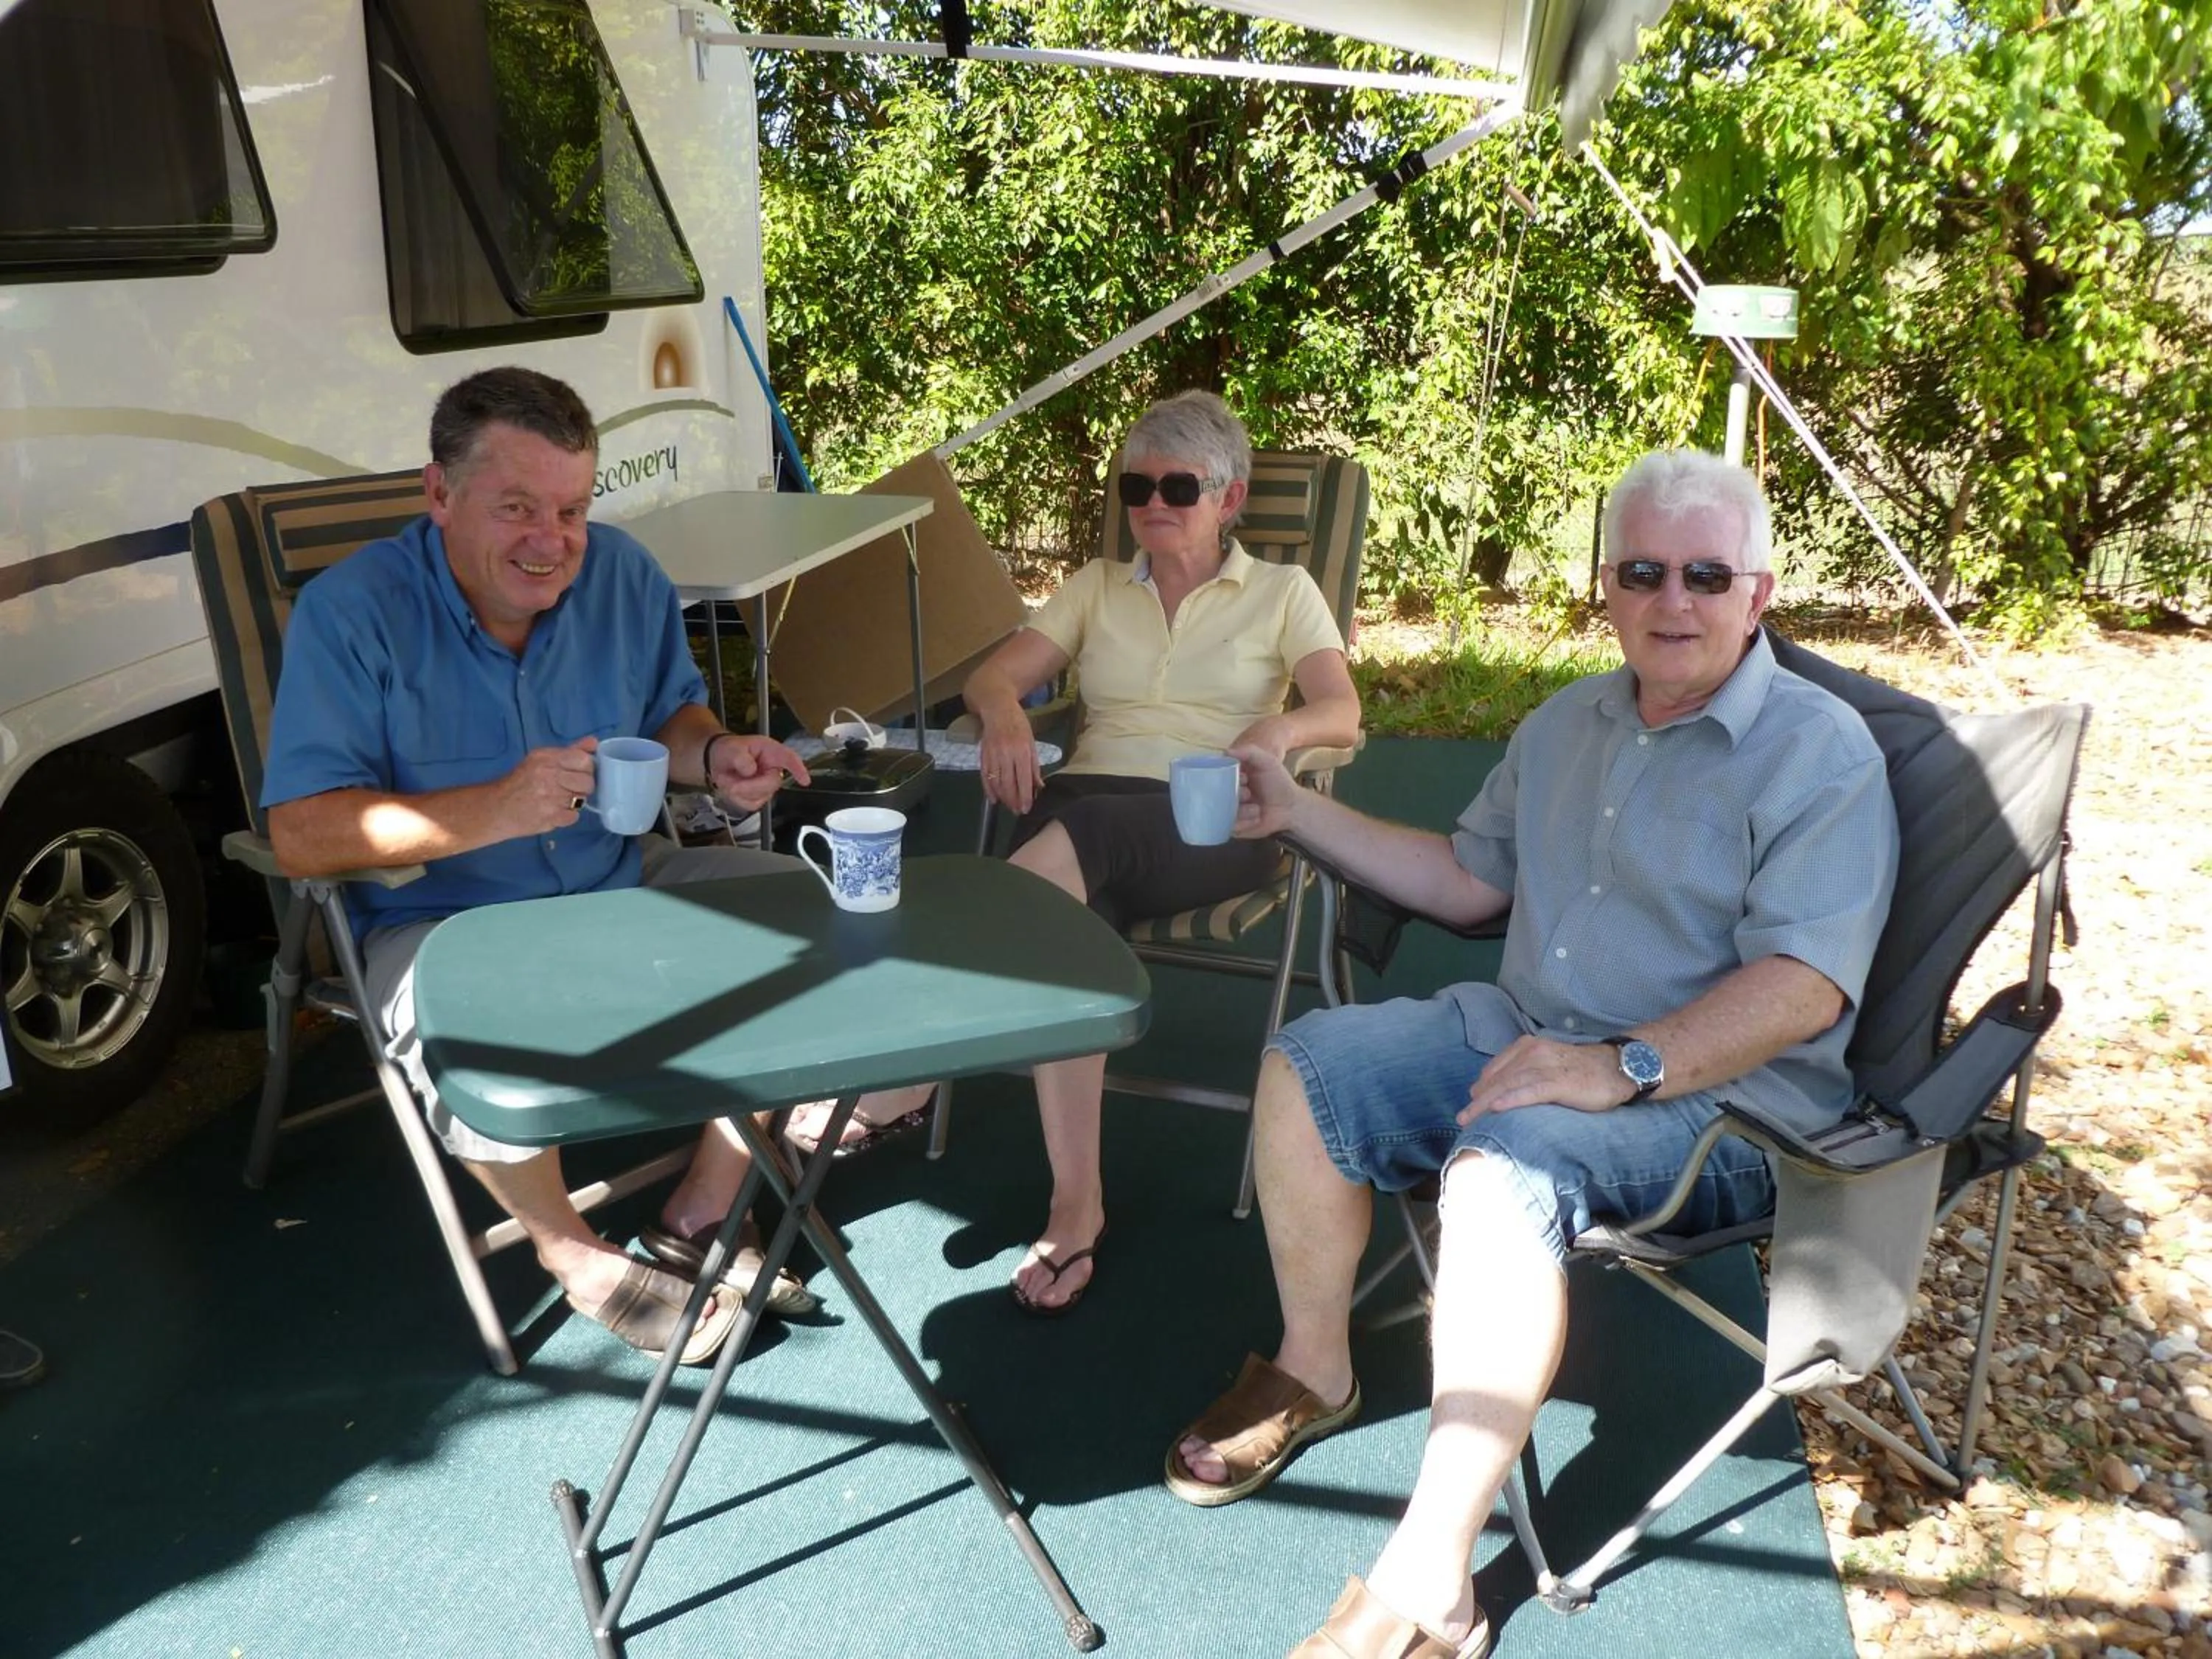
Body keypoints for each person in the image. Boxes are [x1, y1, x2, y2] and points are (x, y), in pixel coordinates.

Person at [1161, 449, 1899, 1658]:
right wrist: (1295, 808)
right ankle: (1314, 1369)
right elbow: (1465, 884)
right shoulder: (1567, 725)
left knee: (1497, 1174)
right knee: (1307, 1066)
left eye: (1707, 574)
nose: (1675, 600)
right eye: (1645, 572)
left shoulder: (1821, 754)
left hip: (1722, 1106)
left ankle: (1430, 1581)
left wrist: (1629, 1064)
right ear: (1604, 586)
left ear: (1759, 592)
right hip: (1534, 1039)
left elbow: (1806, 987)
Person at [261, 367, 930, 1367]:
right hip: (444, 923)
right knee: (481, 1024)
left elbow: (673, 717)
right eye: (517, 508)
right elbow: (300, 836)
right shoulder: (352, 614)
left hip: (620, 877)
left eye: (573, 508)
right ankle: (568, 1246)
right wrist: (495, 806)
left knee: (847, 917)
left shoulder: (623, 577)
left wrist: (716, 756)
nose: (552, 540)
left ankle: (705, 1201)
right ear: (438, 496)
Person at [950, 389, 1361, 1315]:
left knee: (1072, 845)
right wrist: (1007, 708)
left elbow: (1343, 711)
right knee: (1072, 937)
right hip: (1084, 814)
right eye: (1139, 485)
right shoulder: (1098, 585)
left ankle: (912, 1059)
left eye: (1181, 485)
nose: (1155, 503)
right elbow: (989, 676)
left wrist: (1279, 732)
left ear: (1230, 499)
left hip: (1215, 820)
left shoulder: (1283, 593)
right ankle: (1075, 1207)